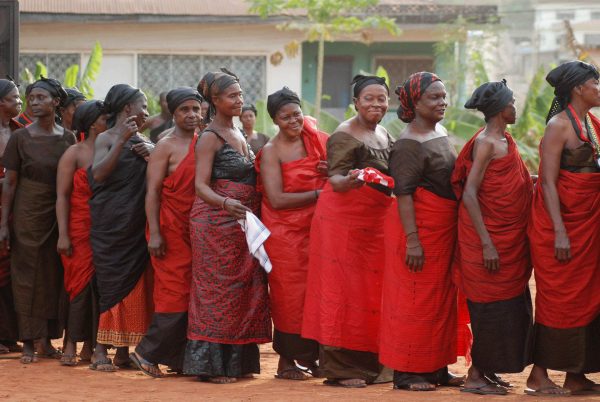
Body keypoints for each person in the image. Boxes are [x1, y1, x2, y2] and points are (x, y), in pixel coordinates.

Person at [301, 75, 394, 388]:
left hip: (375, 226)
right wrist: (351, 179)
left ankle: (373, 366)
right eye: (369, 98)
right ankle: (340, 370)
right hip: (342, 224)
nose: (376, 104)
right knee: (341, 291)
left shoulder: (384, 133)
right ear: (356, 102)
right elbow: (335, 179)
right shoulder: (343, 134)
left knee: (370, 292)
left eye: (381, 98)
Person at [380, 72, 468, 391]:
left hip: (443, 229)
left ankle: (437, 367)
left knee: (441, 300)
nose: (442, 102)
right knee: (415, 302)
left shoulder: (439, 130)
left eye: (443, 96)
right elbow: (403, 193)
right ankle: (407, 372)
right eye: (434, 97)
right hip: (419, 231)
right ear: (415, 102)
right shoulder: (408, 143)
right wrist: (413, 241)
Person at [183, 69, 271, 384]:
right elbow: (201, 187)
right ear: (215, 100)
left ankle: (236, 363)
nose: (239, 100)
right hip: (215, 222)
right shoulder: (210, 136)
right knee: (217, 290)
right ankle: (211, 365)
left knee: (241, 290)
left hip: (242, 223)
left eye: (240, 94)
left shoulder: (240, 132)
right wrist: (224, 204)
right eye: (232, 96)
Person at [451, 80, 534, 395]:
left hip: (508, 239)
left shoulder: (505, 139)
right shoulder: (486, 142)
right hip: (486, 239)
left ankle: (486, 372)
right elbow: (470, 194)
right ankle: (474, 376)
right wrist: (486, 241)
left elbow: (512, 182)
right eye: (512, 102)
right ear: (502, 109)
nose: (515, 108)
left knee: (511, 309)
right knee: (489, 309)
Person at [526, 61, 600, 396]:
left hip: (589, 222)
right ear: (578, 89)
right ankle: (537, 375)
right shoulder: (558, 125)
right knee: (558, 300)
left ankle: (575, 375)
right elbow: (548, 183)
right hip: (563, 224)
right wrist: (559, 230)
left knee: (589, 298)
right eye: (595, 83)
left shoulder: (592, 123)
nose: (599, 88)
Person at [0, 77, 76, 364]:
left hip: (57, 210)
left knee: (52, 275)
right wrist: (4, 223)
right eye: (31, 98)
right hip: (27, 211)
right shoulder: (20, 137)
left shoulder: (67, 137)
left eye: (40, 97)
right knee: (26, 276)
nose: (33, 102)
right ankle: (28, 341)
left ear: (56, 102)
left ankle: (46, 340)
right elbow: (9, 183)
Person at [255, 87, 328, 380]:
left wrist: (330, 168)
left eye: (296, 114)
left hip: (317, 229)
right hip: (285, 233)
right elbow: (276, 199)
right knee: (289, 296)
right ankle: (286, 361)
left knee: (318, 293)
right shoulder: (271, 151)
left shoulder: (314, 137)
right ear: (275, 120)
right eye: (285, 117)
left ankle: (312, 358)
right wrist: (319, 192)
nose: (293, 121)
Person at [130, 87, 203, 377]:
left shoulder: (204, 142)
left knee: (191, 294)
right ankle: (146, 352)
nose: (191, 115)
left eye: (196, 109)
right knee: (174, 292)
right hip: (169, 229)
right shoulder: (165, 145)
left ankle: (178, 357)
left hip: (196, 229)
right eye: (185, 110)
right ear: (173, 113)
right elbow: (152, 192)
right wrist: (156, 233)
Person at [88, 84, 154, 372]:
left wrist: (152, 152)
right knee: (111, 285)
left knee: (134, 285)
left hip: (136, 222)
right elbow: (99, 174)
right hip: (110, 223)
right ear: (127, 108)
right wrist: (122, 140)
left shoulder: (145, 141)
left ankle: (124, 351)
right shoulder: (105, 137)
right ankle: (99, 350)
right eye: (143, 105)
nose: (146, 112)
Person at [56, 100, 107, 366]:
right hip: (77, 229)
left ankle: (91, 345)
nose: (108, 121)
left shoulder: (112, 150)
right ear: (91, 123)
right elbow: (62, 197)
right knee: (77, 287)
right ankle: (70, 344)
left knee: (98, 288)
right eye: (103, 117)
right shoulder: (73, 153)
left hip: (105, 230)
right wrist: (63, 234)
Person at [0, 78, 23, 355]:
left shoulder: (20, 131)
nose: (20, 103)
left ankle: (9, 335)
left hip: (19, 209)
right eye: (15, 98)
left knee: (12, 273)